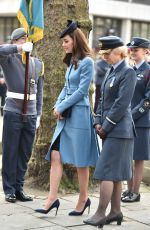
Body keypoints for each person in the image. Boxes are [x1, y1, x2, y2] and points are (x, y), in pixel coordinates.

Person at [35, 20, 100, 216]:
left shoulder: (87, 61)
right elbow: (66, 87)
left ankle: (83, 199)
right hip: (66, 117)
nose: (63, 45)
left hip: (79, 116)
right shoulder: (72, 62)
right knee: (55, 154)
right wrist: (57, 105)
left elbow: (81, 91)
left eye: (65, 41)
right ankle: (51, 199)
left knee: (81, 161)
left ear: (75, 40)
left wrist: (62, 106)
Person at [83, 36, 136, 228]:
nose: (104, 57)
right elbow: (101, 98)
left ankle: (100, 213)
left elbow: (121, 104)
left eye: (108, 54)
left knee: (106, 171)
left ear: (120, 53)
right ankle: (115, 212)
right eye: (103, 53)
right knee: (114, 173)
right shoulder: (111, 71)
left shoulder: (127, 73)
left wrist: (106, 126)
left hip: (120, 130)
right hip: (111, 129)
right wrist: (98, 121)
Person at [0, 28, 44, 203]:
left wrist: (39, 114)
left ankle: (19, 188)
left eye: (27, 40)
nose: (26, 42)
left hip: (31, 113)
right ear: (15, 41)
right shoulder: (9, 58)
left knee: (25, 153)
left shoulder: (38, 63)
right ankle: (9, 189)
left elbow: (39, 91)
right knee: (10, 152)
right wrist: (17, 49)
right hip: (13, 111)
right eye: (21, 40)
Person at [121, 37, 150, 203]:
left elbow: (147, 100)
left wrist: (131, 115)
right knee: (127, 156)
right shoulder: (128, 70)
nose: (132, 52)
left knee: (138, 158)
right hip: (127, 119)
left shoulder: (148, 71)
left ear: (146, 51)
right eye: (130, 50)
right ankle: (128, 189)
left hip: (141, 121)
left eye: (136, 50)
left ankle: (136, 192)